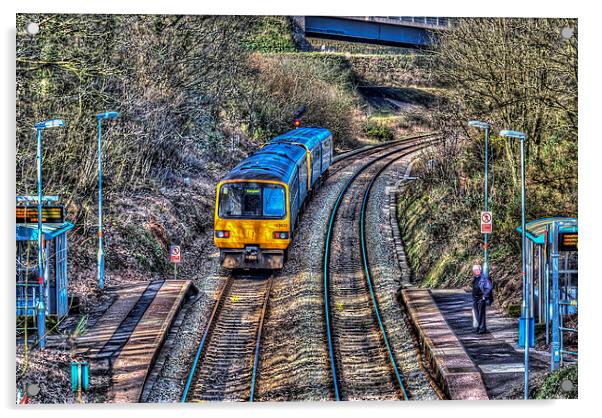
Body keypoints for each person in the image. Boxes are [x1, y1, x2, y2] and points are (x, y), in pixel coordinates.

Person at [471, 264, 493, 334]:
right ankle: (479, 327)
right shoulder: (474, 278)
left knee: (481, 314)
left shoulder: (484, 278)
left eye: (477, 270)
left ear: (480, 270)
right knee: (477, 314)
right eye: (474, 270)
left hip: (481, 298)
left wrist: (484, 296)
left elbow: (489, 287)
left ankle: (482, 329)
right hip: (475, 298)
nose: (476, 271)